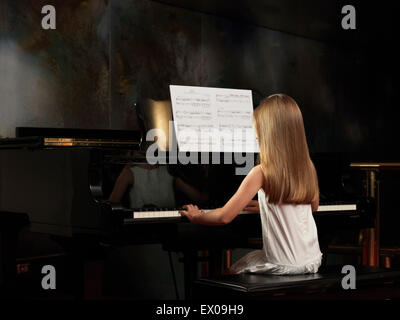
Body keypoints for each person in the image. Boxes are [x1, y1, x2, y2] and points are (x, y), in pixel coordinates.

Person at [179, 93, 322, 275]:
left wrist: (197, 216)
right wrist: (267, 206)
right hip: (312, 261)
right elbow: (313, 207)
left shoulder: (261, 172)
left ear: (269, 135)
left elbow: (224, 217)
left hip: (284, 264)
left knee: (229, 274)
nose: (255, 139)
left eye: (257, 135)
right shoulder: (308, 167)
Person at [109, 151, 208, 208]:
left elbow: (199, 198)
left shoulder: (167, 170)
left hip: (167, 225)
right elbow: (111, 204)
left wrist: (208, 173)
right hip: (139, 227)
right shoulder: (130, 173)